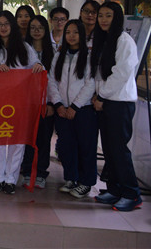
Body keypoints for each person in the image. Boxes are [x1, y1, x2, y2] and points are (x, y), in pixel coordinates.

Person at [0, 10, 44, 195]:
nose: (3, 28)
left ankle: (10, 179)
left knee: (17, 141)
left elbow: (36, 66)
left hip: (19, 102)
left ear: (12, 26)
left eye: (6, 24)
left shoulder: (24, 48)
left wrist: (38, 66)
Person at [91, 2, 141, 211]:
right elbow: (99, 73)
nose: (103, 19)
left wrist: (101, 95)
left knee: (119, 150)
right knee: (109, 150)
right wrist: (97, 95)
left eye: (108, 15)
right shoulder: (104, 40)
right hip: (105, 100)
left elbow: (121, 73)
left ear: (117, 18)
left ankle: (131, 194)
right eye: (101, 15)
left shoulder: (124, 41)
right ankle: (114, 189)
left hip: (119, 103)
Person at [48, 20, 97, 199]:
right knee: (66, 146)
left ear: (82, 34)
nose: (71, 36)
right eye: (68, 32)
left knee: (86, 147)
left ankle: (86, 182)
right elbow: (51, 80)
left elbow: (91, 83)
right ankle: (71, 179)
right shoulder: (59, 55)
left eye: (75, 32)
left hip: (83, 109)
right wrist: (58, 104)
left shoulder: (89, 56)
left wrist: (75, 106)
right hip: (62, 109)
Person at [20, 15, 55, 189]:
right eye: (33, 27)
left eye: (40, 27)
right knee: (26, 138)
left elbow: (56, 80)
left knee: (43, 139)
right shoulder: (22, 50)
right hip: (26, 103)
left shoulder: (54, 52)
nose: (36, 31)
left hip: (46, 103)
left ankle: (41, 172)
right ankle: (27, 171)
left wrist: (51, 103)